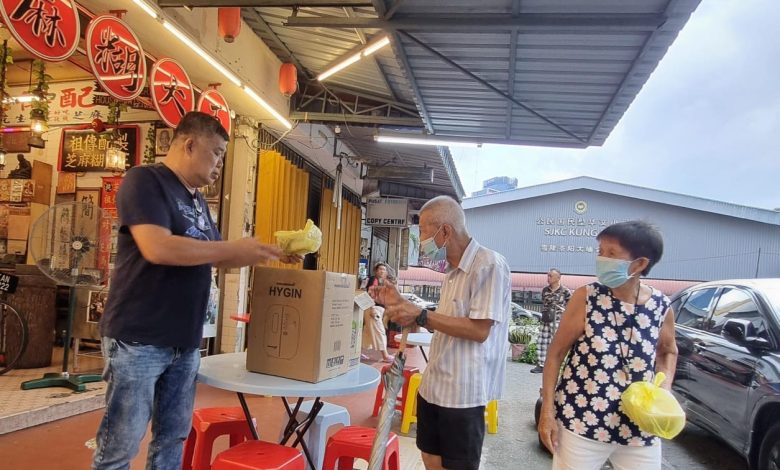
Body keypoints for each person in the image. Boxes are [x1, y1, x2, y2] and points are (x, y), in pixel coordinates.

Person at [93, 112, 300, 470]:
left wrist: (269, 251)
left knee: (173, 436)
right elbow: (157, 247)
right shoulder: (145, 181)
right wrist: (232, 248)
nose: (220, 163)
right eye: (217, 152)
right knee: (121, 444)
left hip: (184, 343)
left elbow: (220, 259)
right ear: (190, 144)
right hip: (139, 339)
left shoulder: (198, 202)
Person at [371, 196, 511, 470]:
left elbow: (480, 330)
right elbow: (443, 321)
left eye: (423, 231)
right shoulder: (451, 273)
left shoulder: (488, 265)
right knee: (430, 458)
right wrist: (403, 307)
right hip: (434, 385)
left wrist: (421, 315)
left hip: (463, 395)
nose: (420, 240)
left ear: (445, 231)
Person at [537, 220, 678, 470]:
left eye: (611, 253)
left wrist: (664, 388)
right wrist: (548, 411)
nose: (602, 259)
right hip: (581, 419)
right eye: (600, 252)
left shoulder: (660, 306)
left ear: (640, 263)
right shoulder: (587, 297)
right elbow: (556, 354)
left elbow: (667, 351)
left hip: (639, 426)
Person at [530, 268, 571, 374]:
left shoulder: (565, 291)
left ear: (558, 278)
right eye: (548, 275)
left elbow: (570, 306)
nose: (548, 278)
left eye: (550, 276)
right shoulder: (545, 290)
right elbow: (544, 302)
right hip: (545, 319)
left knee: (556, 342)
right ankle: (541, 364)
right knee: (542, 341)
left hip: (557, 320)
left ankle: (557, 364)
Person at [362, 262, 394, 362]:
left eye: (384, 269)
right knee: (380, 331)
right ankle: (385, 356)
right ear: (376, 271)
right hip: (373, 309)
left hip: (376, 309)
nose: (382, 271)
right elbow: (371, 294)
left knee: (367, 333)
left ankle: (357, 353)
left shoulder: (382, 282)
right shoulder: (374, 280)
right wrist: (372, 308)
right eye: (380, 269)